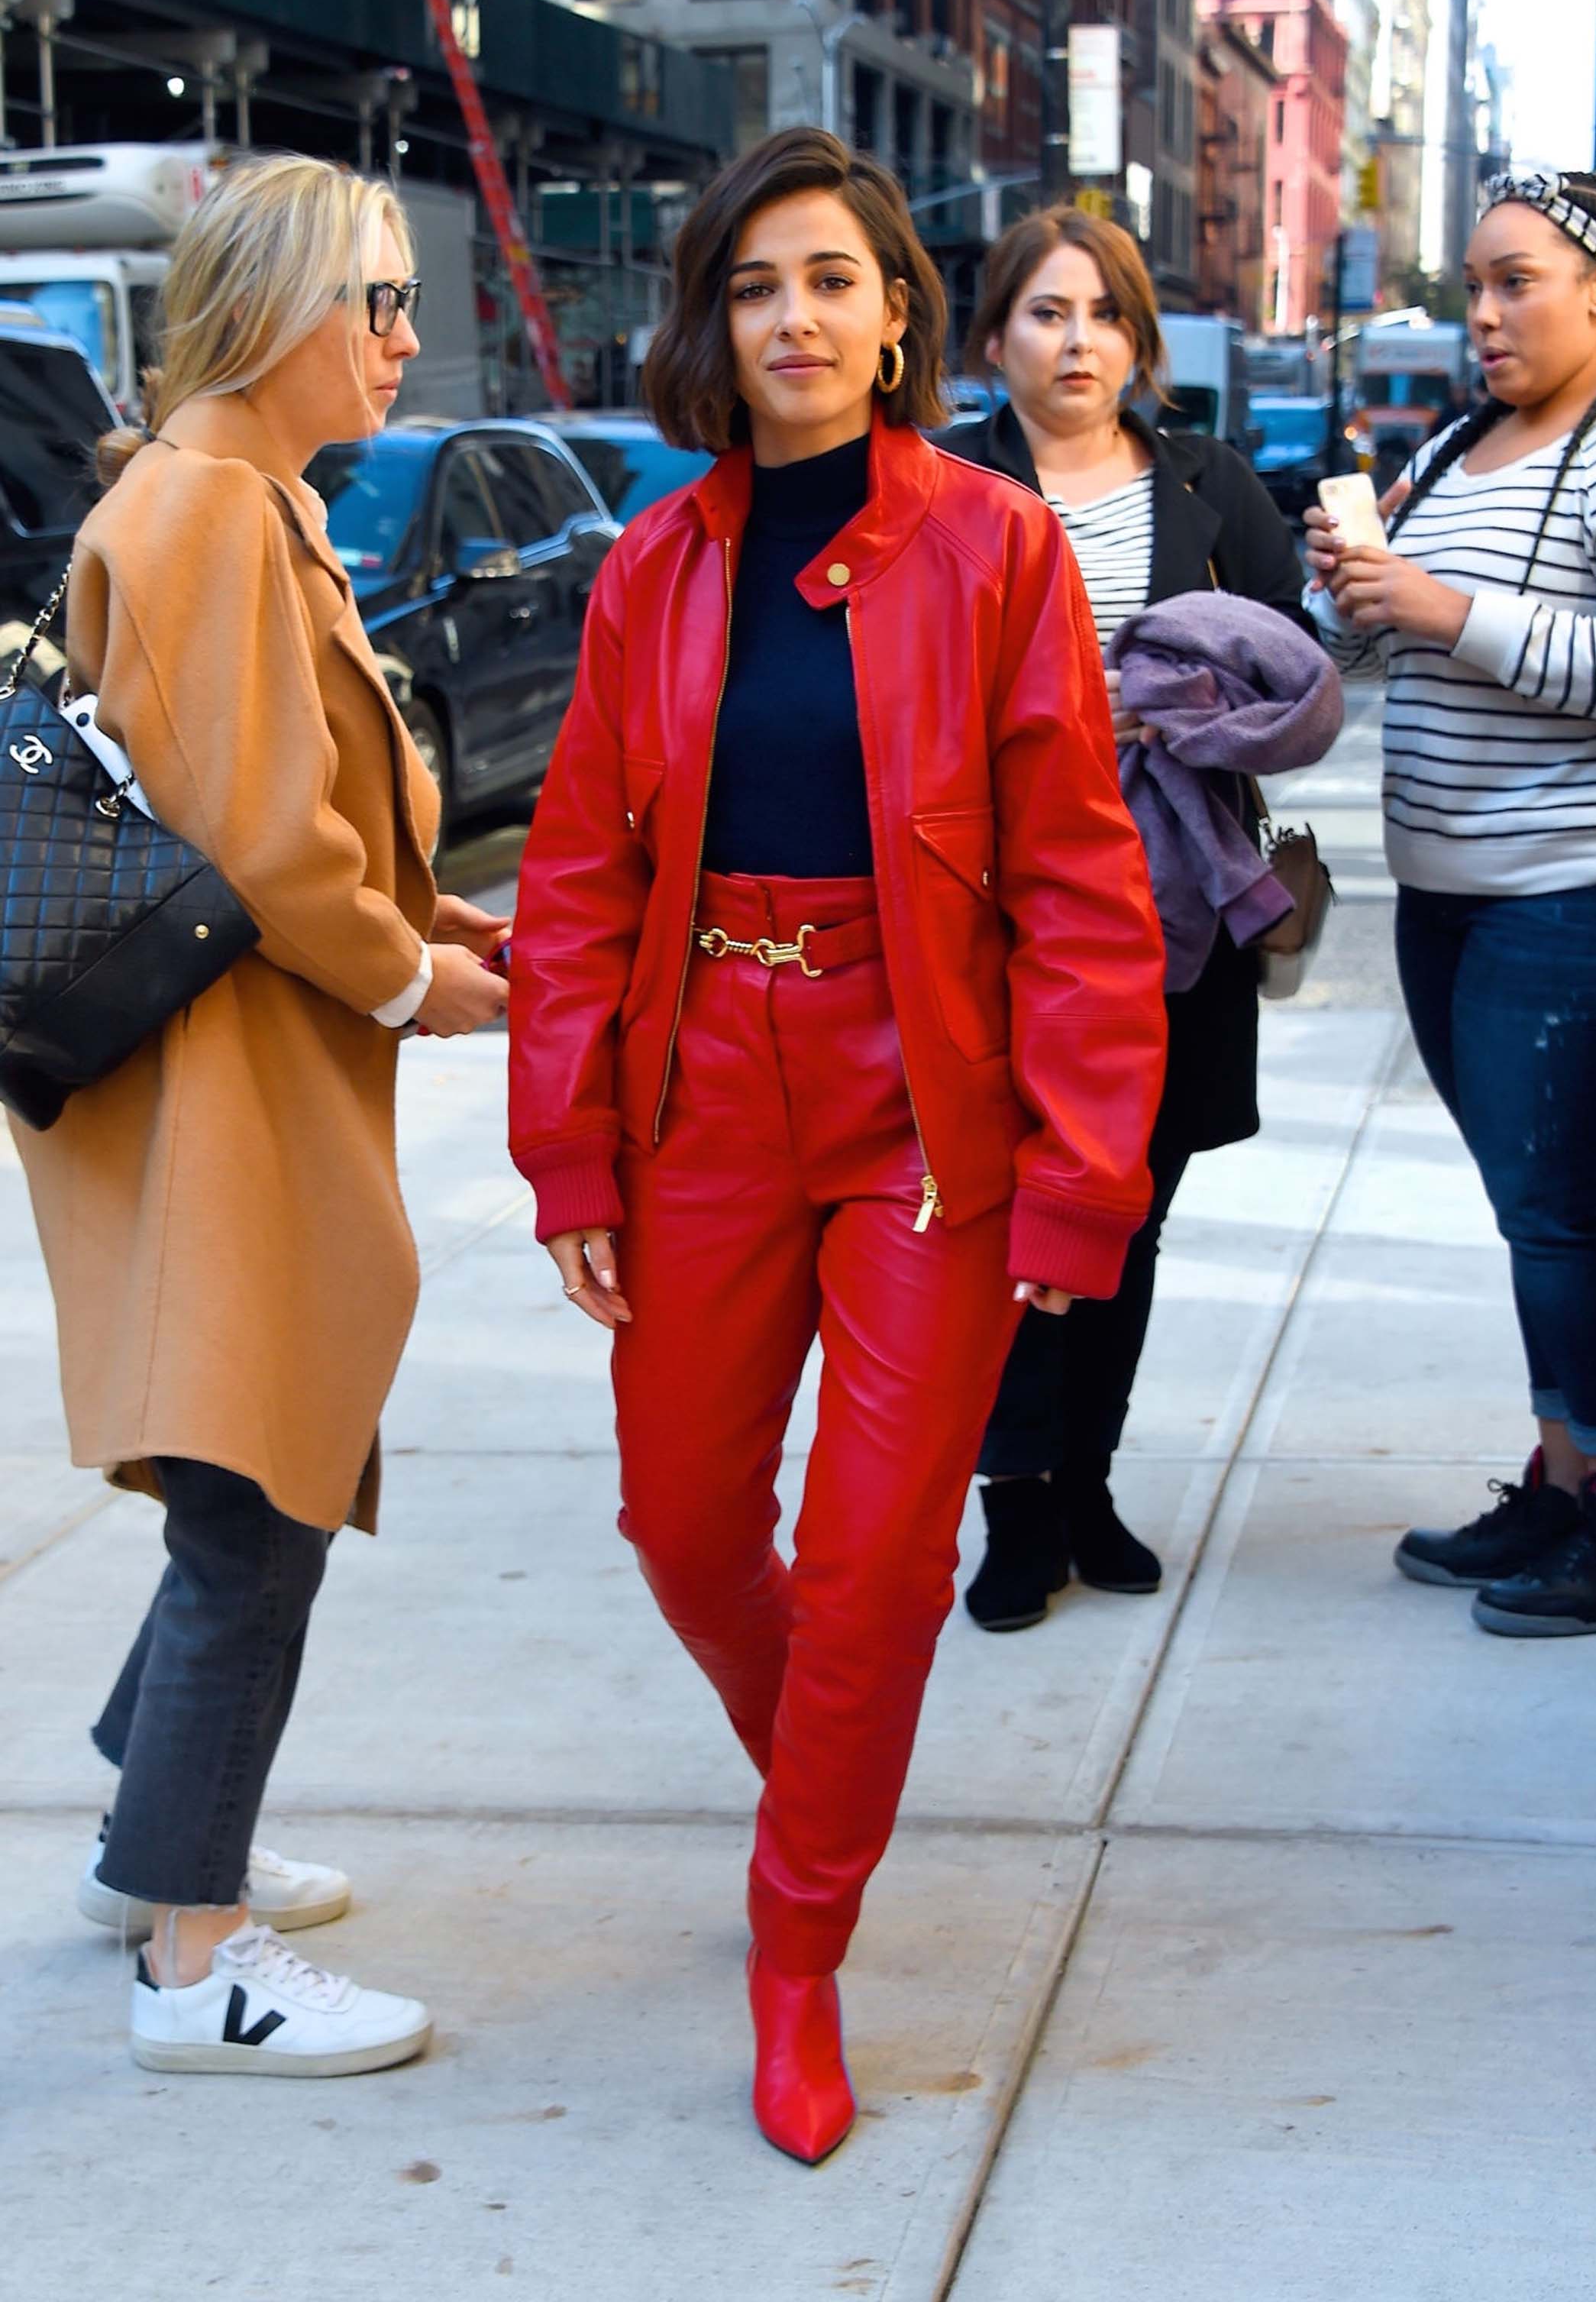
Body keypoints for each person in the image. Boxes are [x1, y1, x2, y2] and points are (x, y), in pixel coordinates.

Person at [507, 130, 1166, 2161]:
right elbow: (573, 884)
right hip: (705, 1084)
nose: (789, 317)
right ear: (710, 322)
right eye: (750, 284)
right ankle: (823, 1766)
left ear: (895, 320)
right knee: (684, 1525)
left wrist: (1079, 1172)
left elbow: (1073, 878)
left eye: (828, 280)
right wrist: (571, 1161)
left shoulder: (991, 546)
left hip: (919, 1108)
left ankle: (795, 1942)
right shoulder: (654, 562)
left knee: (873, 1565)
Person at [11, 154, 510, 2074]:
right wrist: (404, 975)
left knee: (248, 1463)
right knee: (257, 1498)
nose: (399, 337)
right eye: (366, 301)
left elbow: (270, 799)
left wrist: (416, 905)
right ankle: (191, 1956)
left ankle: (159, 1841)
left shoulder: (231, 498)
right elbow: (259, 835)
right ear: (266, 308)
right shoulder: (216, 507)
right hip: (230, 1076)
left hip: (232, 1061)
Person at [935, 208, 1323, 1631]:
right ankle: (1013, 1507)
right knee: (996, 1217)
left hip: (1166, 910)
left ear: (1138, 340)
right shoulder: (934, 481)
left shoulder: (1211, 485)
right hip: (981, 913)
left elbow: (1293, 689)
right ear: (994, 340)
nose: (1076, 337)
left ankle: (1086, 1487)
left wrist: (1192, 688)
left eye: (1101, 313)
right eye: (1044, 312)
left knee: (1129, 1214)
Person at [1304, 167, 1596, 1639]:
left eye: (1516, 282)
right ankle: (1563, 1482)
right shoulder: (1454, 445)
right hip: (1443, 901)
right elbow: (1368, 663)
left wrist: (1439, 605)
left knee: (1562, 1217)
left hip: (1569, 899)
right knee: (1530, 1214)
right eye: (1474, 286)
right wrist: (1350, 594)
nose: (1482, 314)